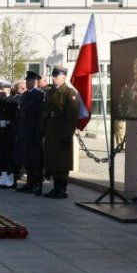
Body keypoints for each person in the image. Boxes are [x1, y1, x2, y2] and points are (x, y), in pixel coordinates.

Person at [41, 66, 80, 199]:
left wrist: (68, 134)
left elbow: (72, 117)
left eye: (56, 76)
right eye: (53, 76)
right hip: (51, 132)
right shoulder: (50, 92)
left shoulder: (69, 93)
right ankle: (55, 187)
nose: (54, 78)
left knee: (62, 162)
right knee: (53, 161)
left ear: (64, 77)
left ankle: (62, 188)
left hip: (62, 132)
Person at [14, 71, 45, 194]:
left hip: (33, 130)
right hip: (24, 130)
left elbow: (40, 114)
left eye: (29, 81)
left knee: (34, 160)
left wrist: (38, 131)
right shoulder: (25, 94)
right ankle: (29, 183)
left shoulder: (39, 95)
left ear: (35, 82)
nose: (27, 83)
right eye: (26, 81)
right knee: (26, 158)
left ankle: (35, 183)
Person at [0, 81, 17, 188]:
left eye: (2, 89)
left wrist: (7, 122)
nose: (0, 91)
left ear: (8, 89)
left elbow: (14, 117)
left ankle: (10, 180)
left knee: (8, 156)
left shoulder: (12, 101)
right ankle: (3, 178)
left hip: (8, 133)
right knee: (0, 156)